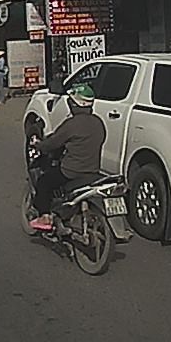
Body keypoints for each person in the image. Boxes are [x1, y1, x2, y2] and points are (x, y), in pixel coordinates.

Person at [28, 82, 105, 231]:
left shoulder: (72, 124)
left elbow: (52, 143)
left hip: (70, 172)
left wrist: (38, 145)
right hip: (93, 171)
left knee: (44, 182)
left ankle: (45, 217)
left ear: (74, 104)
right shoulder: (98, 123)